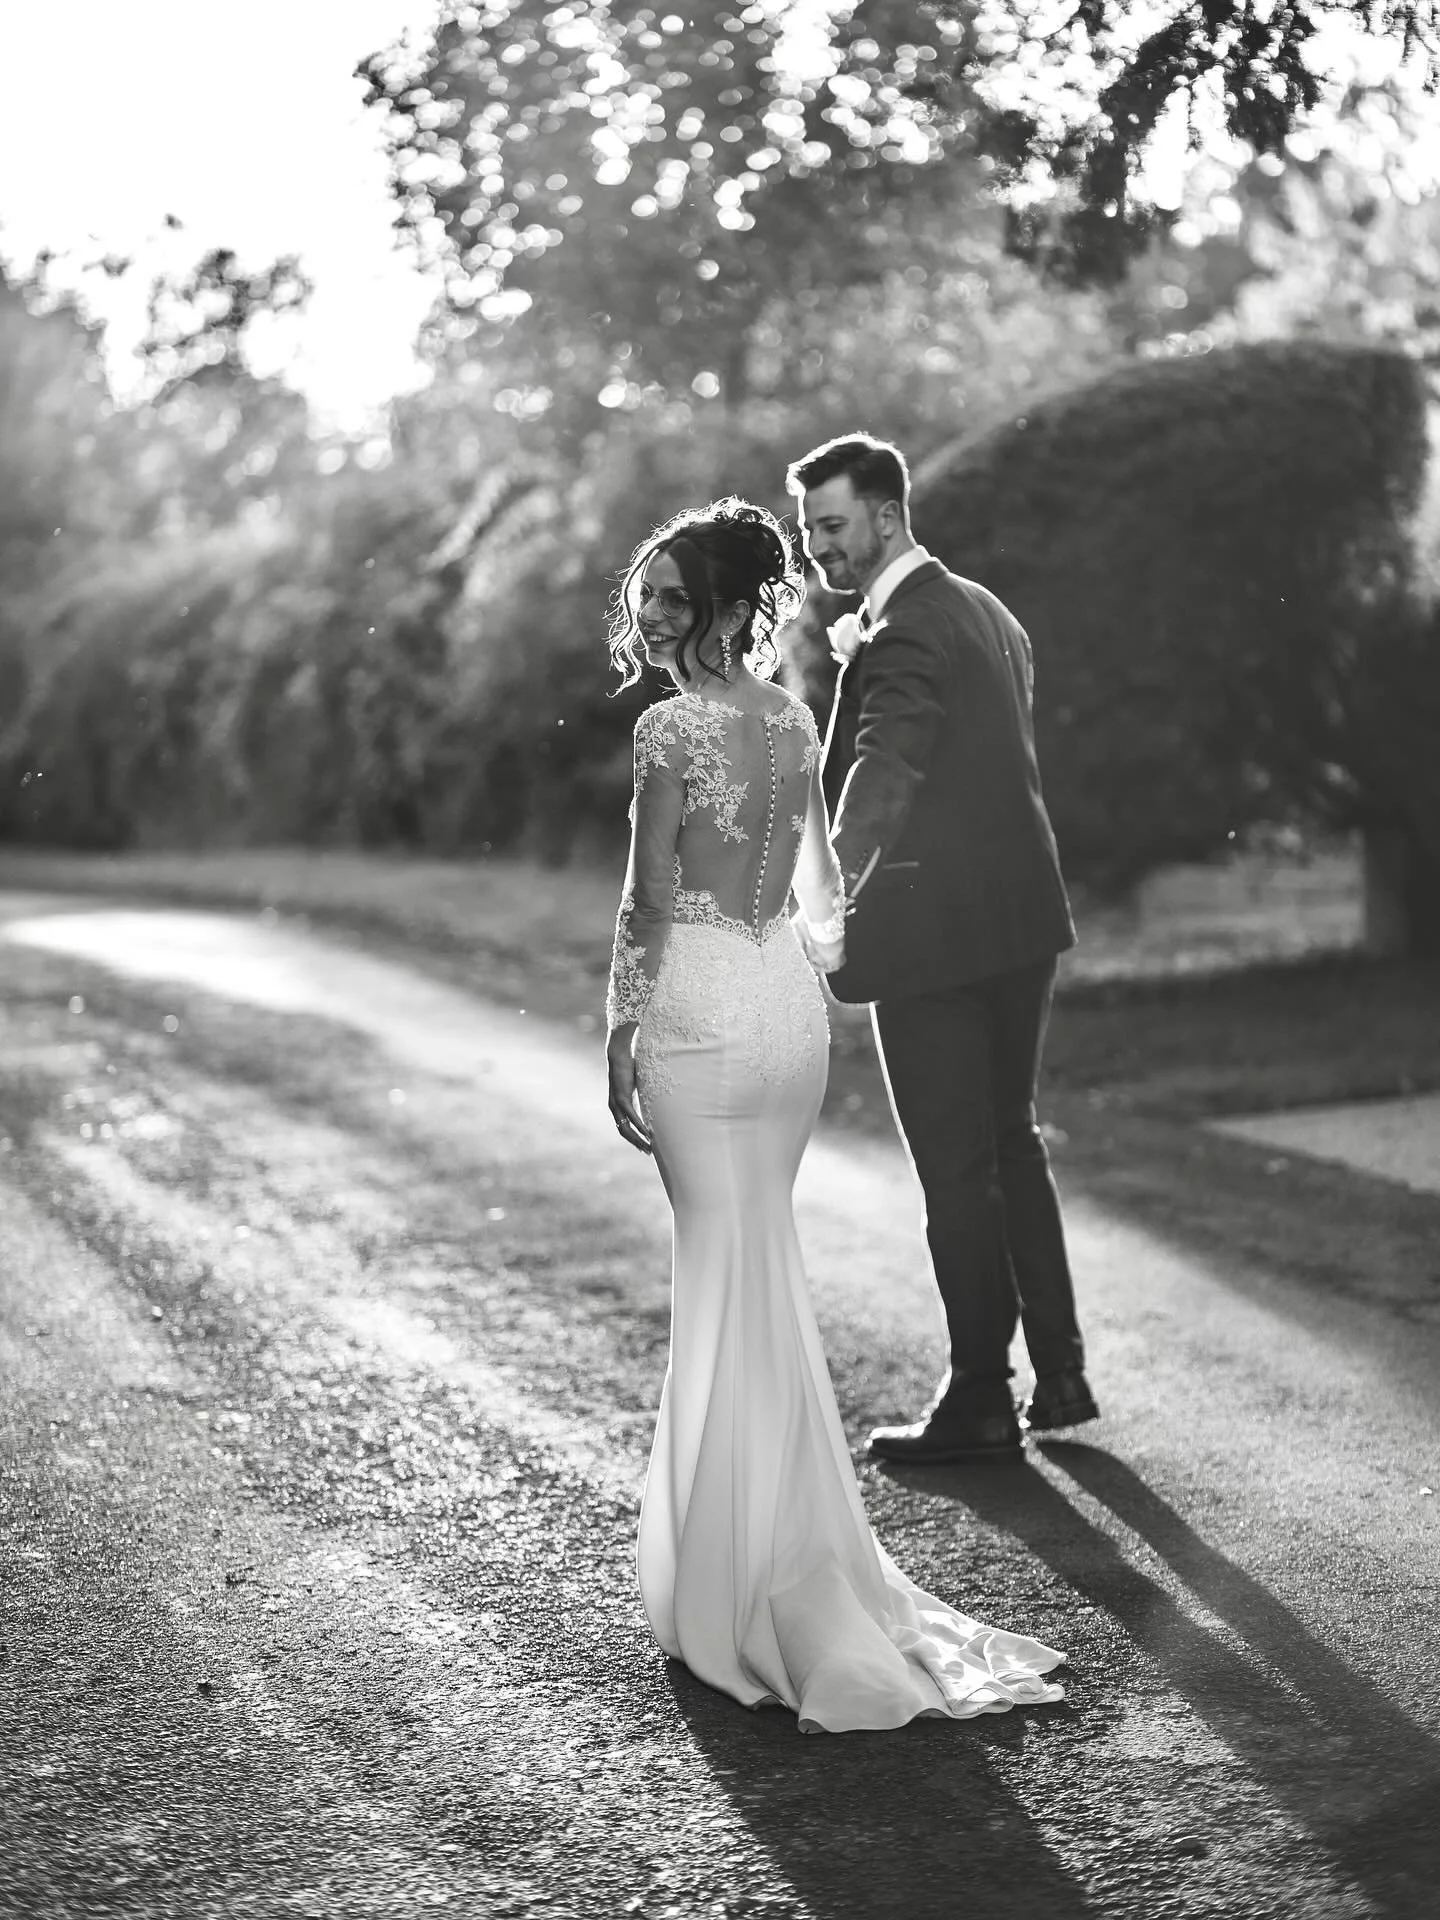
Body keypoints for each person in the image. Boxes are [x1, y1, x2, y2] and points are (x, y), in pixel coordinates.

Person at [604, 496, 1066, 1732]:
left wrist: (618, 1028)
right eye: (641, 596)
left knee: (722, 1279)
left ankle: (740, 1584)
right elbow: (818, 898)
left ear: (714, 608)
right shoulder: (797, 719)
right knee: (762, 1274)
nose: (645, 616)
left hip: (702, 1016)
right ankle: (792, 1563)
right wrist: (799, 971)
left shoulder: (665, 733)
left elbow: (648, 902)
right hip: (787, 1017)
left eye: (664, 596)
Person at [785, 432, 1098, 1465]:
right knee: (1012, 1140)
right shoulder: (988, 612)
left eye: (832, 525)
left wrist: (828, 902)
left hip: (934, 939)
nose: (820, 548)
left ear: (884, 512)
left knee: (959, 1170)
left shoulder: (910, 625)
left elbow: (887, 765)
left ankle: (977, 1397)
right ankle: (1058, 1375)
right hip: (1022, 920)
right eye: (809, 531)